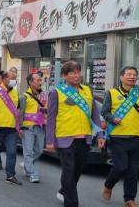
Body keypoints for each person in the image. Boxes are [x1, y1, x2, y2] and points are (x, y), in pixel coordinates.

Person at [46, 60, 105, 207]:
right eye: (73, 72)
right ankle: (71, 203)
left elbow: (95, 115)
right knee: (69, 170)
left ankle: (64, 190)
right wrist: (50, 141)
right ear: (64, 76)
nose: (77, 75)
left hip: (84, 138)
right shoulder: (56, 92)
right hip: (65, 138)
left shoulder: (87, 91)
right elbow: (51, 118)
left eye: (78, 72)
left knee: (77, 171)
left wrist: (99, 135)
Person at [101, 66, 139, 207]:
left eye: (134, 75)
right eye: (129, 74)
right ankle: (108, 185)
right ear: (121, 77)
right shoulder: (112, 93)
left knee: (133, 171)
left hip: (137, 136)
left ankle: (129, 199)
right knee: (120, 167)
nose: (132, 77)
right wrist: (112, 119)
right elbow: (104, 112)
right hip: (119, 136)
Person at [19, 73, 47, 183]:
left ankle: (27, 164)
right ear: (31, 82)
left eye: (41, 80)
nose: (40, 82)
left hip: (40, 126)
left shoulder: (43, 96)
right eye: (38, 80)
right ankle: (32, 172)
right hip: (27, 127)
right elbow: (20, 112)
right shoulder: (24, 96)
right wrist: (20, 127)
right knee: (28, 151)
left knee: (39, 150)